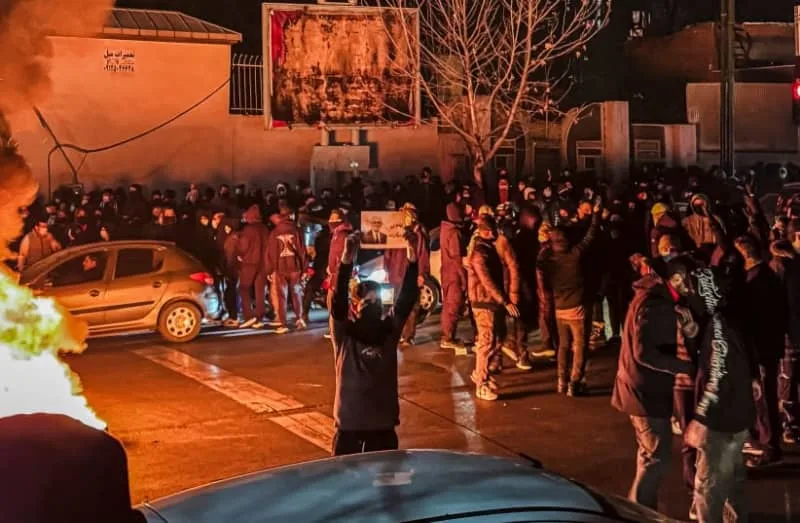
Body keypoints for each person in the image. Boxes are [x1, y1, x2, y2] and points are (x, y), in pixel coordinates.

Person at [612, 257, 697, 513]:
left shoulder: (654, 298)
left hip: (639, 389)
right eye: (689, 279)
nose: (693, 285)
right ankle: (639, 513)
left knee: (649, 455)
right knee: (655, 457)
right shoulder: (656, 304)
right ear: (676, 279)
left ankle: (639, 510)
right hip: (645, 392)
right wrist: (685, 368)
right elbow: (645, 353)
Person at [678, 266, 759, 523]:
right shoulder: (726, 319)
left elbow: (717, 376)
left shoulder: (719, 325)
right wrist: (692, 331)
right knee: (733, 482)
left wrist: (701, 418)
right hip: (736, 415)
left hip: (720, 421)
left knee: (709, 490)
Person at [329, 232, 419, 455]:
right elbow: (338, 302)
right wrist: (346, 258)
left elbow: (406, 299)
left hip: (379, 426)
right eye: (366, 299)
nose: (371, 302)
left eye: (375, 300)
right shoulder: (346, 335)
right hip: (352, 427)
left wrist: (412, 255)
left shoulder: (386, 332)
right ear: (356, 307)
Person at [537, 196, 601, 396]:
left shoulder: (548, 260)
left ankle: (561, 381)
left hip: (560, 308)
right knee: (580, 345)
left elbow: (540, 266)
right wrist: (596, 215)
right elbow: (590, 236)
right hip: (577, 307)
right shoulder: (574, 255)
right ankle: (575, 381)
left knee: (563, 346)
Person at [734, 234, 786, 468]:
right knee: (765, 396)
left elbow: (756, 319)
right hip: (768, 347)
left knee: (763, 398)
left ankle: (769, 446)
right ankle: (767, 442)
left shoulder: (756, 281)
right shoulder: (767, 276)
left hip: (761, 349)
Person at [467, 215, 520, 401]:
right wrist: (505, 301)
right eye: (492, 230)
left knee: (497, 340)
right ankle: (481, 383)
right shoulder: (480, 254)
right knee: (487, 342)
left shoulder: (487, 249)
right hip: (484, 303)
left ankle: (482, 374)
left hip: (491, 302)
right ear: (485, 232)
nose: (495, 233)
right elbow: (487, 281)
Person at [385, 205, 430, 346]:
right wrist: (386, 269)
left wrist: (422, 274)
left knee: (411, 306)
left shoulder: (418, 234)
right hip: (396, 274)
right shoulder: (395, 233)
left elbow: (423, 255)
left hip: (410, 274)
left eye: (408, 216)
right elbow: (388, 253)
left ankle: (408, 336)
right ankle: (396, 334)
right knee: (395, 305)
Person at [503, 205, 541, 370]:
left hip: (530, 283)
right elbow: (517, 267)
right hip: (524, 284)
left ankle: (514, 344)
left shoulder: (529, 237)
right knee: (522, 319)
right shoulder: (522, 239)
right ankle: (521, 352)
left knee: (525, 320)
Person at [265, 205, 307, 332]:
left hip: (280, 268)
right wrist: (304, 268)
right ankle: (299, 318)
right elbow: (302, 251)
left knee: (281, 295)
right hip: (295, 267)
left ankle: (283, 323)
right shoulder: (296, 230)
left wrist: (270, 269)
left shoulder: (274, 232)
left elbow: (270, 253)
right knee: (296, 293)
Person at [439, 203, 468, 351]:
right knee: (453, 305)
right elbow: (457, 259)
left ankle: (447, 335)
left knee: (448, 305)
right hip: (454, 274)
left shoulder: (445, 230)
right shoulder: (455, 233)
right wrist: (463, 279)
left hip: (446, 272)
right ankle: (448, 337)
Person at [237, 205, 269, 329]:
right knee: (260, 290)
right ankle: (260, 316)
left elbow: (243, 246)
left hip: (249, 263)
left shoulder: (248, 229)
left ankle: (249, 316)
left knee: (244, 288)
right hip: (263, 263)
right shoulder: (265, 229)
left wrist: (240, 255)